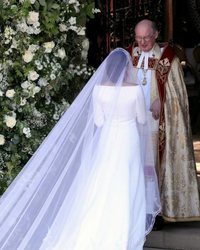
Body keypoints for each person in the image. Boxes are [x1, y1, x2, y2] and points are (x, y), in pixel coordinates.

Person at [0, 48, 161, 249]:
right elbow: (141, 118)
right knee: (128, 182)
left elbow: (99, 121)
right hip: (128, 140)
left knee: (103, 183)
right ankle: (125, 232)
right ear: (127, 68)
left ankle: (98, 228)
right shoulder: (135, 90)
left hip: (107, 140)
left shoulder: (98, 90)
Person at [127, 19, 200, 225]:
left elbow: (178, 97)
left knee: (154, 166)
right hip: (133, 122)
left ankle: (159, 211)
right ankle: (137, 209)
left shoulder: (167, 59)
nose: (142, 42)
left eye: (146, 38)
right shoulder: (130, 55)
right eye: (138, 38)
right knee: (135, 165)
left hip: (157, 124)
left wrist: (161, 101)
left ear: (155, 35)